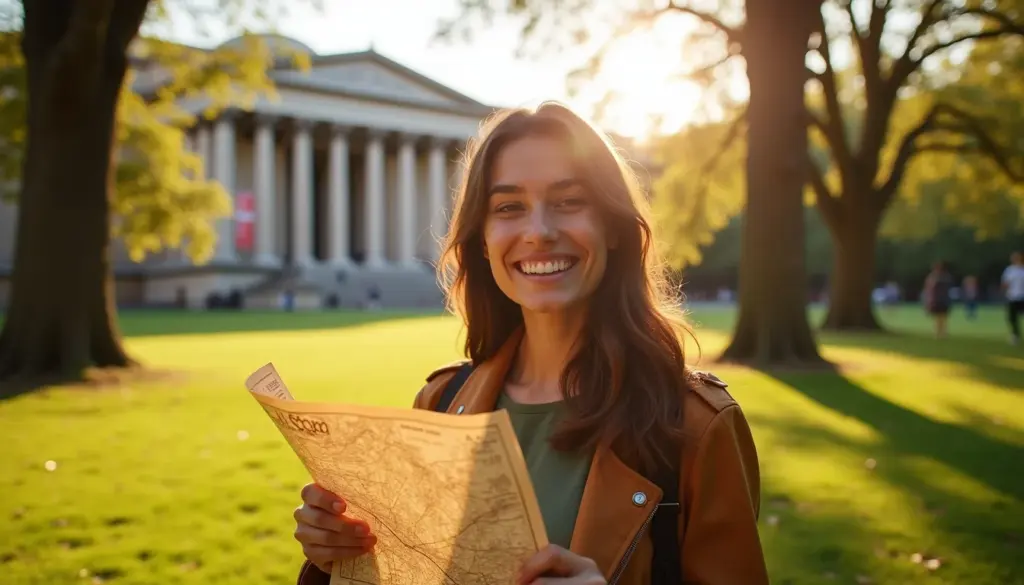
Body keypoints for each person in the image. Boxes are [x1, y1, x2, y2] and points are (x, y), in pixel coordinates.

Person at [290, 102, 769, 585]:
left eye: (568, 202)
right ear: (482, 240)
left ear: (614, 229)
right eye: (508, 207)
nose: (538, 232)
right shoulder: (441, 402)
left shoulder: (695, 427)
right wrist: (337, 556)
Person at [922, 260, 953, 338]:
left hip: (942, 299)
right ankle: (939, 333)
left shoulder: (943, 277)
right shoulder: (936, 277)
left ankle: (942, 333)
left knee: (942, 317)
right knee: (938, 318)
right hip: (937, 300)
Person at [1002, 251, 1024, 345]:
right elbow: (1005, 283)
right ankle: (1015, 335)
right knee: (1012, 318)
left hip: (1022, 297)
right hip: (1012, 297)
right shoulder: (1009, 270)